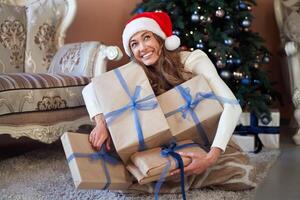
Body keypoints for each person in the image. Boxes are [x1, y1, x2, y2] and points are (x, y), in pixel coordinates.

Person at [82, 11, 256, 192]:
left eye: (147, 37)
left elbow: (232, 106)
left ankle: (184, 173)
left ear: (160, 39)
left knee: (240, 171)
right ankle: (177, 174)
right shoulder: (136, 72)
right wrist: (100, 122)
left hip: (204, 139)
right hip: (164, 145)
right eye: (134, 44)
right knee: (136, 172)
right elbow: (90, 89)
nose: (142, 48)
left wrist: (210, 158)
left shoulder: (192, 60)